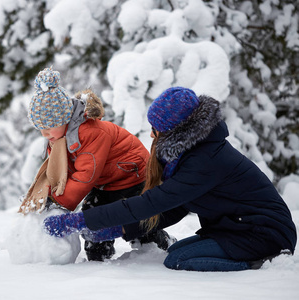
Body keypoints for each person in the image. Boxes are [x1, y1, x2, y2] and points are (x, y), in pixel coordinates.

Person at [43, 87, 297, 271]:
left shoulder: (204, 162)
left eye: (156, 130)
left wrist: (79, 220)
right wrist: (120, 229)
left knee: (177, 260)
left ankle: (261, 263)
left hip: (265, 236)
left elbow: (150, 203)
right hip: (237, 227)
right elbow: (173, 210)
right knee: (176, 251)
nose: (152, 136)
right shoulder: (193, 152)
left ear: (175, 131)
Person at [20, 67, 174, 261]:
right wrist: (48, 194)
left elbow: (86, 175)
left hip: (132, 176)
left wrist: (60, 202)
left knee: (139, 222)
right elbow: (62, 171)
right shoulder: (58, 138)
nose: (44, 134)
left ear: (64, 119)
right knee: (93, 217)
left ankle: (159, 245)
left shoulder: (90, 133)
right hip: (106, 182)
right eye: (40, 128)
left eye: (48, 127)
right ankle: (98, 259)